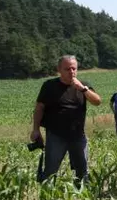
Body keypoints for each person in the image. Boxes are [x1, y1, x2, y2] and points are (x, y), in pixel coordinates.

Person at [31, 55, 101, 183]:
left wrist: (82, 89)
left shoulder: (83, 85)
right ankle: (47, 198)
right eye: (67, 69)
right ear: (59, 69)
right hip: (56, 136)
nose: (71, 72)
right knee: (50, 172)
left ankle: (82, 198)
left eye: (74, 69)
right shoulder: (49, 85)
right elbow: (39, 108)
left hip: (78, 136)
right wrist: (35, 129)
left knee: (82, 171)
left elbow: (97, 101)